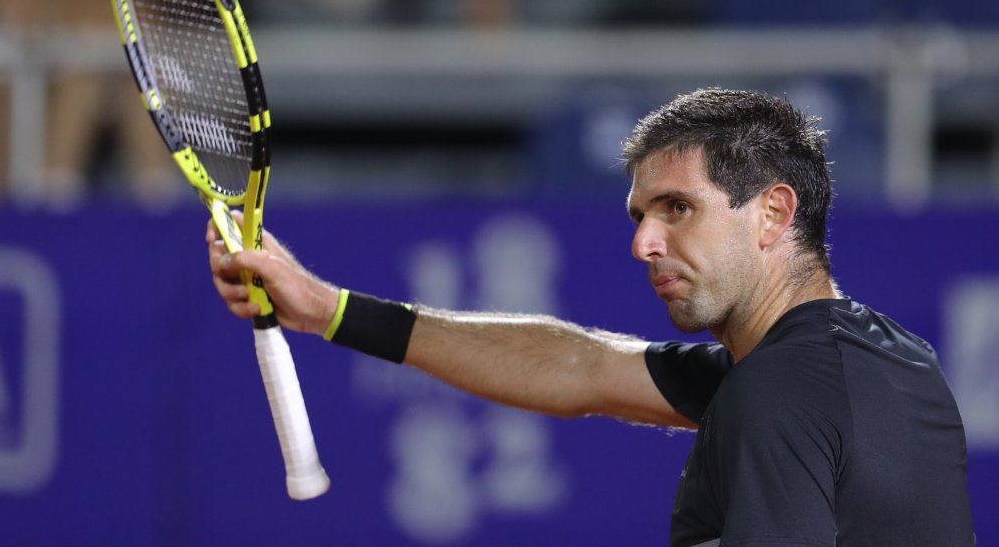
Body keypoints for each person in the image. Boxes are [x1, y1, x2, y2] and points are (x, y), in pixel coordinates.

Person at [207, 88, 975, 546]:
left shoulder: (776, 392)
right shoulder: (881, 358)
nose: (643, 242)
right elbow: (578, 365)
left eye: (678, 208)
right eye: (640, 215)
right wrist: (328, 309)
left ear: (773, 211)